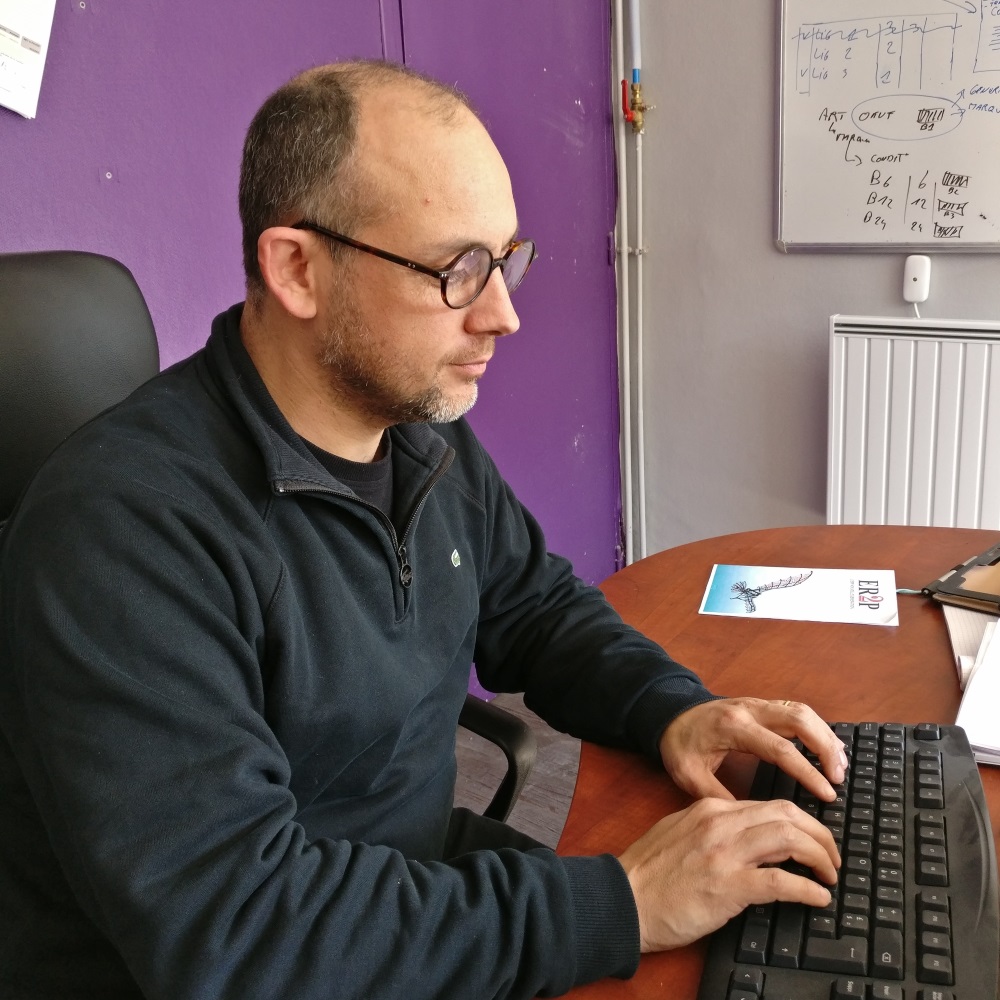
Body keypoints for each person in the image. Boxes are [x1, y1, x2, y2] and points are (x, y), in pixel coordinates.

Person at [0, 60, 848, 1000]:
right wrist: (622, 903)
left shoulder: (417, 434)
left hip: (404, 889)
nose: (504, 314)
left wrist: (671, 708)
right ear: (297, 269)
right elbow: (237, 930)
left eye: (505, 260)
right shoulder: (122, 532)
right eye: (457, 271)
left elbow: (537, 609)